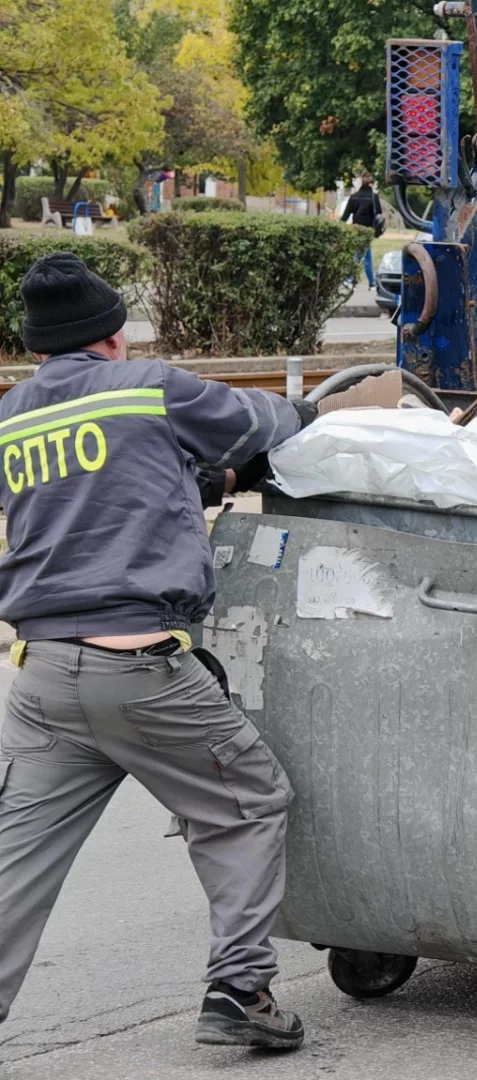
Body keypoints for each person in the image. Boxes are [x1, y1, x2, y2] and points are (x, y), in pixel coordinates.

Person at [0, 252, 317, 1049]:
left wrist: (188, 483)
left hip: (40, 678)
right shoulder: (149, 386)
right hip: (138, 673)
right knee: (248, 801)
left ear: (39, 350)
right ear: (112, 336)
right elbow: (259, 423)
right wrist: (311, 420)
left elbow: (84, 494)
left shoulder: (11, 417)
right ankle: (240, 991)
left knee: (16, 867)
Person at [340, 172, 384, 285]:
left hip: (356, 228)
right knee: (363, 255)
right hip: (368, 229)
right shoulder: (374, 197)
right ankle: (369, 282)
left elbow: (345, 215)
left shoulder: (354, 197)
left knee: (361, 254)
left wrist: (340, 226)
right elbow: (379, 214)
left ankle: (353, 279)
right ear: (371, 184)